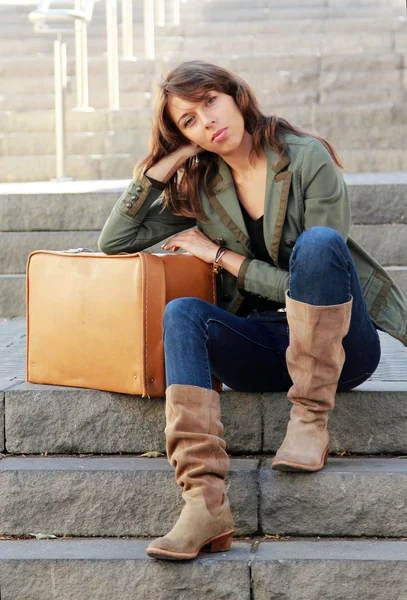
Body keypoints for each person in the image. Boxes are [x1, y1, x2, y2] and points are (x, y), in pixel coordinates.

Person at [98, 60, 407, 561]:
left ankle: (309, 421)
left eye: (209, 103)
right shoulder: (200, 183)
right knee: (182, 313)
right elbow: (116, 241)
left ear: (235, 95)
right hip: (264, 345)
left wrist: (222, 258)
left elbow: (317, 279)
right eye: (189, 122)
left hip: (342, 347)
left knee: (320, 244)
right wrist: (163, 165)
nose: (207, 122)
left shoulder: (306, 159)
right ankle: (204, 501)